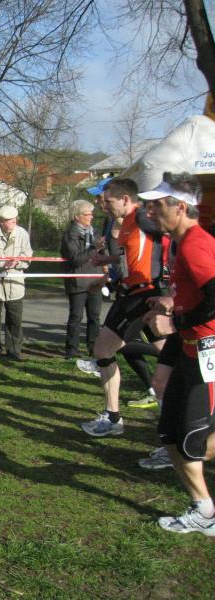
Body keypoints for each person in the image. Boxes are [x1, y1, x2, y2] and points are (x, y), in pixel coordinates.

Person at [141, 173, 215, 535]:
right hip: (189, 349)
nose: (150, 212)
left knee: (190, 441)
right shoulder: (181, 243)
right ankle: (204, 509)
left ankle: (206, 512)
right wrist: (173, 305)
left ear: (180, 208)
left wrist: (177, 321)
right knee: (169, 435)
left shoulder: (195, 244)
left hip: (207, 350)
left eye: (157, 206)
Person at [80, 178, 166, 437]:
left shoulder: (142, 217)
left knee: (103, 349)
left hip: (142, 294)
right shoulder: (125, 222)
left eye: (109, 201)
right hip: (134, 292)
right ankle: (175, 423)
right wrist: (107, 264)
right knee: (170, 356)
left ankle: (113, 417)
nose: (104, 205)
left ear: (126, 199)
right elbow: (129, 256)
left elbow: (167, 235)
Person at [0, 205, 33, 360]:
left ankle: (14, 351)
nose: (14, 222)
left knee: (15, 319)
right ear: (0, 221)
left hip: (15, 283)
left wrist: (17, 263)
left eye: (15, 219)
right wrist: (2, 265)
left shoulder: (22, 233)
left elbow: (28, 255)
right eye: (10, 220)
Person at [60, 199, 103, 359]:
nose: (91, 217)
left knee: (94, 317)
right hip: (77, 281)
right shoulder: (70, 235)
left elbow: (102, 254)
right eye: (87, 214)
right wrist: (94, 249)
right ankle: (71, 350)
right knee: (76, 317)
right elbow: (76, 260)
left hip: (95, 279)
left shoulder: (95, 232)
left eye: (91, 213)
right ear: (77, 216)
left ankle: (94, 348)